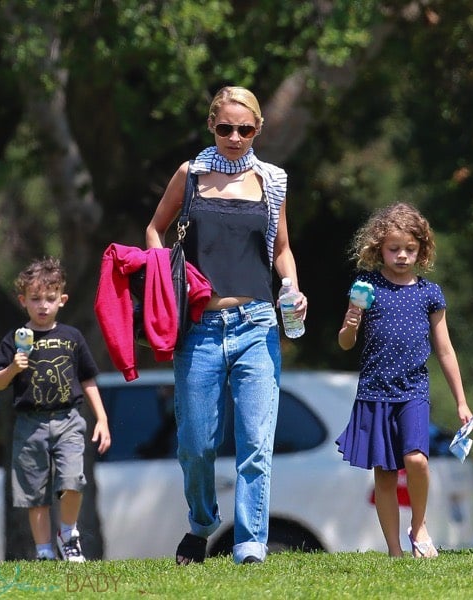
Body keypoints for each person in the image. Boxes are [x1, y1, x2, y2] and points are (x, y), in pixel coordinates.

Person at [145, 86, 306, 566]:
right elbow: (155, 228)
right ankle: (201, 523)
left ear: (258, 129)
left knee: (256, 441)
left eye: (245, 129)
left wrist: (292, 286)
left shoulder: (272, 180)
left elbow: (280, 250)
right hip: (198, 326)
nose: (235, 137)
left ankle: (250, 543)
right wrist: (159, 275)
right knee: (196, 444)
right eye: (225, 128)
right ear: (212, 126)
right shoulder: (191, 175)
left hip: (256, 322)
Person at [336, 202, 473, 558]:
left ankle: (419, 525)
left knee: (416, 460)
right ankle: (395, 550)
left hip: (413, 390)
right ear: (378, 248)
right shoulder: (366, 287)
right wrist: (351, 323)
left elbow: (444, 350)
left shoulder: (429, 293)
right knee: (384, 473)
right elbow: (346, 342)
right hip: (375, 391)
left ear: (422, 250)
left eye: (410, 249)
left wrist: (461, 401)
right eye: (394, 249)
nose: (401, 256)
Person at [0, 257, 111, 561]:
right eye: (35, 299)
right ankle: (44, 552)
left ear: (62, 300)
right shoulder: (14, 341)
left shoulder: (72, 338)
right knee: (35, 494)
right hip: (30, 424)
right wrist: (13, 369)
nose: (43, 305)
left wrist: (102, 418)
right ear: (23, 301)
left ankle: (68, 535)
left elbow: (87, 378)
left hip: (69, 419)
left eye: (50, 298)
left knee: (73, 481)